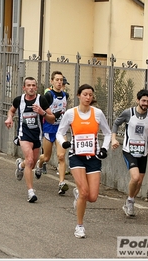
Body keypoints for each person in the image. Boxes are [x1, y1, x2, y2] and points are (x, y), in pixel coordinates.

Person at [56, 84, 111, 238]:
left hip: (93, 157)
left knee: (92, 197)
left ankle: (79, 194)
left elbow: (107, 133)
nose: (88, 98)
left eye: (90, 95)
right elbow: (60, 132)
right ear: (79, 95)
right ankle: (79, 226)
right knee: (85, 192)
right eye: (85, 94)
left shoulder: (98, 113)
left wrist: (104, 148)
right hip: (76, 156)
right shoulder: (70, 113)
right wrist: (64, 143)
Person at [111, 89, 148, 217]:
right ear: (138, 100)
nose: (145, 103)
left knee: (139, 182)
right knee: (135, 177)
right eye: (143, 101)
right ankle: (130, 201)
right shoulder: (129, 113)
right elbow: (116, 123)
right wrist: (113, 139)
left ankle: (130, 200)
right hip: (129, 151)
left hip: (143, 153)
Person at [4, 76, 55, 203]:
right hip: (24, 134)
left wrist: (42, 112)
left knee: (31, 163)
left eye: (33, 85)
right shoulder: (18, 100)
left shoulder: (41, 100)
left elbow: (52, 118)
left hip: (37, 135)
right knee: (30, 159)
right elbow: (11, 111)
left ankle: (20, 166)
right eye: (29, 85)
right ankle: (30, 192)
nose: (31, 88)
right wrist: (9, 118)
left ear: (36, 87)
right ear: (24, 88)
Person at [35, 71, 70, 195]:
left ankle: (61, 183)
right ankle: (39, 165)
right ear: (52, 81)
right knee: (47, 157)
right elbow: (43, 112)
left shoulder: (66, 95)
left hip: (61, 130)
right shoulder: (48, 96)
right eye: (57, 80)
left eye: (61, 80)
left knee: (61, 156)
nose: (59, 82)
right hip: (49, 128)